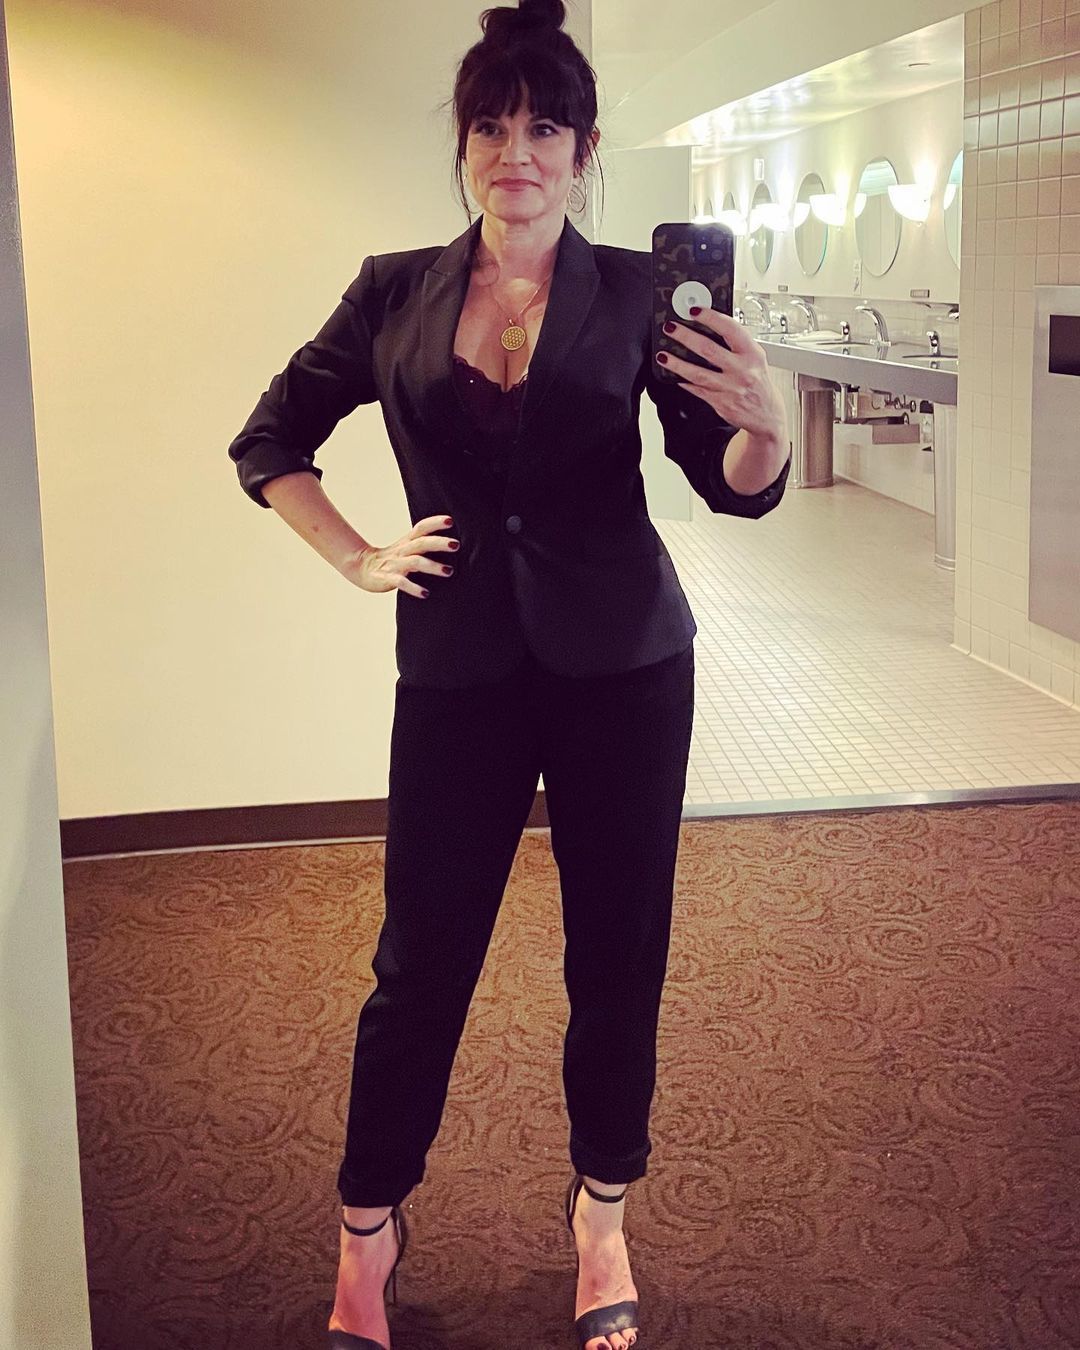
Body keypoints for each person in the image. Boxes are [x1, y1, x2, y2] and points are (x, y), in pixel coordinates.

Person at [227, 3, 789, 1346]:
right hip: (459, 668)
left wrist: (767, 427)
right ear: (465, 142)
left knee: (618, 950)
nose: (516, 151)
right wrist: (359, 555)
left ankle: (603, 1213)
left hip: (626, 669)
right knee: (420, 959)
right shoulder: (392, 291)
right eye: (491, 124)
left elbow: (726, 482)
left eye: (545, 127)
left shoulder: (639, 294)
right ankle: (369, 1226)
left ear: (585, 150)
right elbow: (269, 438)